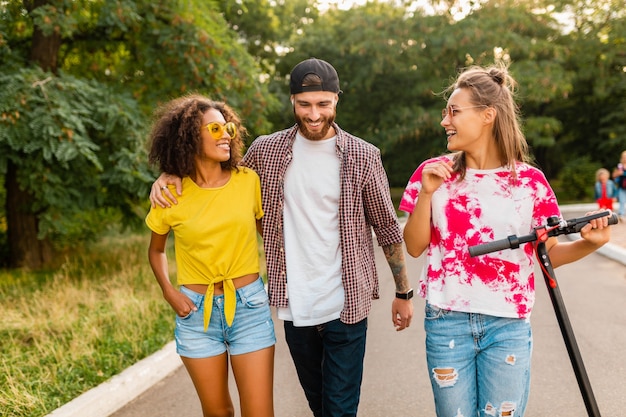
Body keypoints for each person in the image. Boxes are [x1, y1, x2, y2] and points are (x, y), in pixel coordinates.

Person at [150, 58, 414, 417]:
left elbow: (386, 226)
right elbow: (215, 178)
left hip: (347, 302)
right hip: (295, 305)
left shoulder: (363, 156)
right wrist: (168, 174)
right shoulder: (266, 152)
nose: (314, 113)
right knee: (320, 404)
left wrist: (403, 292)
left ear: (336, 99)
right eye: (305, 104)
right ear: (292, 101)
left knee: (339, 410)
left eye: (323, 103)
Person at [400, 65, 611, 417]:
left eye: (453, 111)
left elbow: (548, 253)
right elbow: (414, 246)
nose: (444, 121)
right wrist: (426, 194)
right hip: (447, 318)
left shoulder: (531, 182)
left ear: (488, 115)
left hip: (507, 324)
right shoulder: (434, 173)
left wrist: (592, 243)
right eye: (445, 112)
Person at [145, 94, 275, 417]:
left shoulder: (248, 182)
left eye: (228, 127)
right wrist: (169, 292)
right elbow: (156, 250)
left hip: (249, 308)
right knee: (218, 413)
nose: (226, 134)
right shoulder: (172, 193)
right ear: (190, 136)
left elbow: (270, 234)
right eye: (215, 129)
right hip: (195, 314)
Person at [612, 150, 626, 219]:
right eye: (624, 157)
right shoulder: (620, 166)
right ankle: (621, 214)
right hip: (622, 186)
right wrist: (618, 173)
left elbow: (622, 174)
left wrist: (623, 173)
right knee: (622, 201)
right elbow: (614, 175)